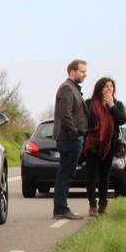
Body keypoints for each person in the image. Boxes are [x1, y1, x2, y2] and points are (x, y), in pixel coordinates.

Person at [52, 59, 88, 220]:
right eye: (82, 71)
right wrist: (75, 134)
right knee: (65, 174)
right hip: (69, 138)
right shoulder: (67, 88)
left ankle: (61, 208)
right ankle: (61, 209)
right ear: (72, 71)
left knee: (66, 173)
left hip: (72, 138)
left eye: (85, 72)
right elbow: (65, 114)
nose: (85, 74)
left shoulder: (73, 88)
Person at [83, 77, 126, 216]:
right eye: (106, 86)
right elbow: (84, 122)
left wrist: (111, 105)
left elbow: (121, 120)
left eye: (111, 86)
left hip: (109, 144)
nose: (109, 88)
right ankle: (92, 206)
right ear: (99, 89)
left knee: (104, 176)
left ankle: (103, 205)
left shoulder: (118, 104)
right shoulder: (90, 103)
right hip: (92, 144)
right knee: (91, 176)